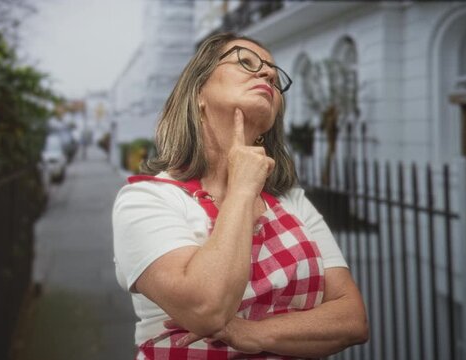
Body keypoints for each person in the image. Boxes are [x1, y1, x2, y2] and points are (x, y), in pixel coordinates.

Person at [112, 32, 368, 359]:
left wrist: (250, 333)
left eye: (275, 79)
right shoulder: (146, 199)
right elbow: (206, 309)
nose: (268, 75)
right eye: (246, 63)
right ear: (198, 92)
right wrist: (243, 188)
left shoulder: (292, 200)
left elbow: (351, 319)